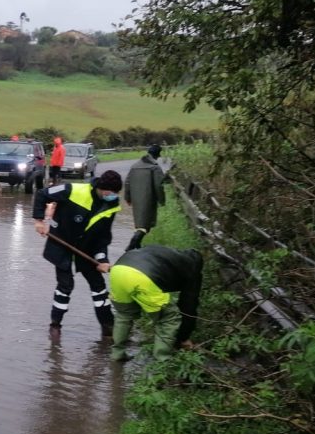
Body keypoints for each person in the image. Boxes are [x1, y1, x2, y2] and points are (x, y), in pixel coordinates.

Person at [33, 170, 123, 341]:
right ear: (102, 188)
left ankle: (108, 328)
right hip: (61, 243)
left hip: (87, 248)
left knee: (99, 287)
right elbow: (42, 194)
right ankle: (55, 325)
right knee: (65, 286)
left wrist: (102, 259)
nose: (113, 196)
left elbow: (103, 237)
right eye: (111, 192)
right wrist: (39, 220)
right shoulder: (73, 190)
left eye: (115, 193)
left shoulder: (111, 206)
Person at [109, 244, 203, 361]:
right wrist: (183, 337)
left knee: (124, 315)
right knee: (168, 318)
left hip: (118, 269)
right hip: (142, 275)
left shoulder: (170, 253)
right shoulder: (192, 268)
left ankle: (117, 354)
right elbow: (189, 305)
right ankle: (162, 359)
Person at [124, 144, 166, 251]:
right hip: (149, 199)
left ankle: (137, 247)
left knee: (139, 223)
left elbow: (127, 182)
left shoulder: (135, 166)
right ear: (157, 155)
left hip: (136, 199)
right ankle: (132, 245)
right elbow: (159, 185)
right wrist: (162, 200)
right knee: (145, 225)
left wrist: (127, 197)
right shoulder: (155, 167)